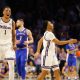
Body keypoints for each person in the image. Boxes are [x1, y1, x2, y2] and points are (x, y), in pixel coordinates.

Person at [0, 6, 16, 80]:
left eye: (9, 11)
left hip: (9, 46)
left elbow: (13, 35)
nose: (8, 12)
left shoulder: (12, 22)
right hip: (0, 45)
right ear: (3, 12)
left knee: (11, 64)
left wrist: (14, 44)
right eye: (6, 10)